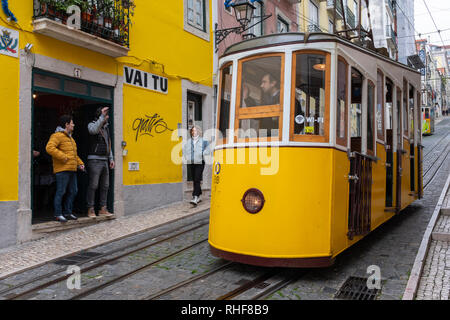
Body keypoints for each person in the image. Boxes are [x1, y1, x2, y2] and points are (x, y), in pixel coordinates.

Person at [46, 114, 85, 222]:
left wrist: (80, 163)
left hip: (72, 169)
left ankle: (68, 212)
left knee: (73, 191)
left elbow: (73, 155)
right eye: (72, 123)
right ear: (66, 124)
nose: (74, 125)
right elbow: (49, 148)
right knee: (61, 192)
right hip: (62, 170)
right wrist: (63, 157)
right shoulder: (57, 136)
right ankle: (58, 214)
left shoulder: (71, 139)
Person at [86, 107, 115, 218]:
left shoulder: (106, 128)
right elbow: (93, 131)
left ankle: (103, 208)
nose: (107, 117)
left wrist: (111, 159)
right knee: (93, 185)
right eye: (105, 115)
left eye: (106, 115)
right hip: (94, 160)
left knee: (105, 186)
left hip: (104, 160)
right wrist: (102, 118)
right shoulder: (91, 125)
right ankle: (90, 209)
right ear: (100, 116)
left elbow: (108, 144)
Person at [183, 126, 210, 205]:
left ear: (198, 131)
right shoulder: (188, 141)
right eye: (192, 131)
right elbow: (184, 150)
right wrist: (187, 157)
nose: (193, 132)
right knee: (195, 179)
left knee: (197, 178)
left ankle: (195, 196)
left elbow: (208, 149)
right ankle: (199, 195)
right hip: (191, 162)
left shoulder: (204, 141)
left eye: (195, 130)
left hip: (200, 162)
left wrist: (203, 153)